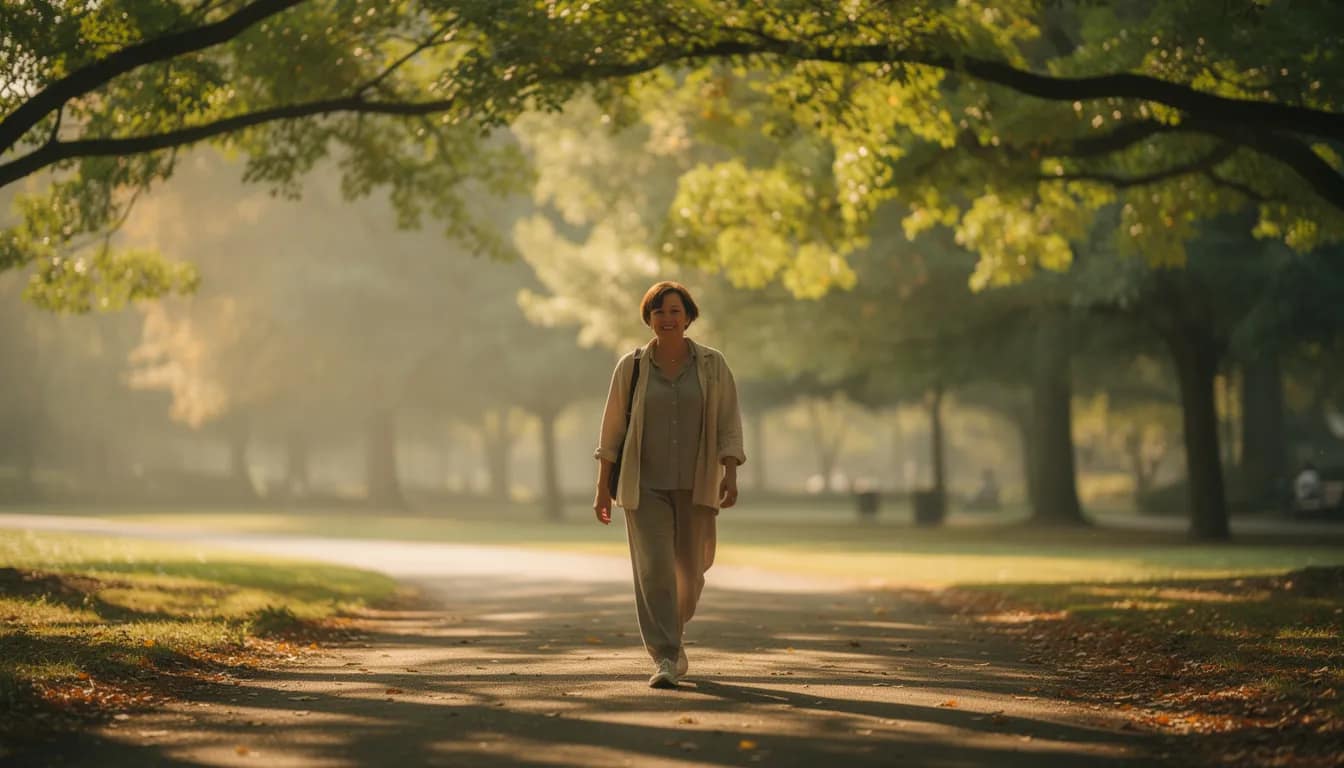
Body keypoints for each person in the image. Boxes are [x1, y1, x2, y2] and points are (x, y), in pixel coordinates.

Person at [593, 281, 746, 689]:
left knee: (691, 574)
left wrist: (730, 474)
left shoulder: (713, 365)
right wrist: (602, 488)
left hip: (697, 485)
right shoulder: (633, 366)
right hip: (644, 486)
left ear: (689, 317)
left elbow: (728, 423)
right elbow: (612, 430)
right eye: (659, 312)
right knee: (655, 569)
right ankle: (666, 654)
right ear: (649, 319)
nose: (667, 319)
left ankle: (672, 635)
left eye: (675, 311)